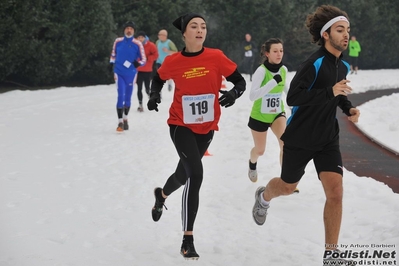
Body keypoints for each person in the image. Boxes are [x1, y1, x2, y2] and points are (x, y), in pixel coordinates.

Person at [251, 5, 360, 264]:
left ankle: (331, 255)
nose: (346, 35)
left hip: (327, 139)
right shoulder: (313, 63)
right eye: (340, 30)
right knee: (288, 187)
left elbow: (338, 93)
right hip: (299, 138)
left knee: (336, 193)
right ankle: (264, 196)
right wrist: (331, 93)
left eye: (347, 30)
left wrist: (347, 107)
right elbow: (293, 97)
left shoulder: (342, 65)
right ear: (325, 34)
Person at [147, 13, 246, 260]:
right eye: (194, 26)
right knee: (196, 174)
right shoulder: (174, 61)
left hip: (207, 127)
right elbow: (157, 78)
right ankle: (187, 239)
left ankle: (161, 196)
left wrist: (233, 94)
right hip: (180, 125)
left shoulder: (216, 57)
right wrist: (153, 95)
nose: (200, 30)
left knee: (183, 174)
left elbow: (240, 81)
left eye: (203, 26)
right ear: (184, 34)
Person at [247, 38, 289, 183]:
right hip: (260, 116)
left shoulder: (283, 70)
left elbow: (285, 90)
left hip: (277, 114)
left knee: (286, 145)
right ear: (267, 54)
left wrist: (295, 105)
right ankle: (252, 164)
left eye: (281, 51)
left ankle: (286, 180)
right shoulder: (261, 71)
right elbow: (252, 95)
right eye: (275, 51)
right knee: (260, 150)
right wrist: (272, 82)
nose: (279, 54)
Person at [110, 21, 146, 132]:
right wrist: (111, 64)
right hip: (119, 72)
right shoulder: (118, 41)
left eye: (131, 29)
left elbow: (144, 59)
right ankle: (120, 121)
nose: (129, 30)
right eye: (127, 28)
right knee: (120, 95)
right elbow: (113, 54)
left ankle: (125, 119)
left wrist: (138, 63)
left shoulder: (137, 44)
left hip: (131, 74)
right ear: (124, 30)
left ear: (134, 31)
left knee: (128, 98)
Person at [135, 31, 159, 112]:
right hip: (138, 70)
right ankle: (140, 105)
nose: (140, 39)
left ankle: (151, 100)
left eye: (142, 37)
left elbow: (156, 55)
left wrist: (148, 58)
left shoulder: (151, 45)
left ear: (145, 37)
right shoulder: (135, 45)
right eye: (139, 37)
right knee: (139, 88)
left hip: (147, 70)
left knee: (147, 88)